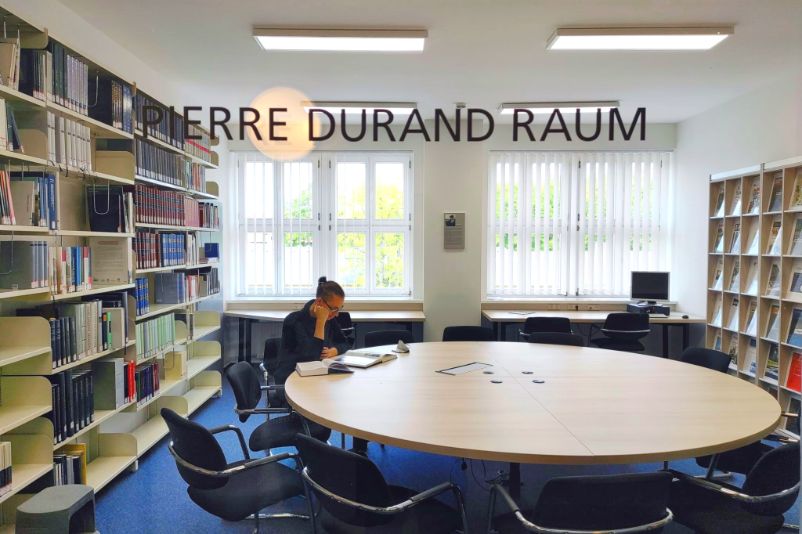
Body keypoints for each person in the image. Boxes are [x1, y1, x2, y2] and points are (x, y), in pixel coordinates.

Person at [275, 276, 352, 384]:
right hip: (291, 379)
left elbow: (346, 344)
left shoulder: (330, 318)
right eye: (334, 309)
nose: (337, 314)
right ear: (319, 302)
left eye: (339, 308)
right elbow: (311, 357)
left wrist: (335, 350)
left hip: (317, 376)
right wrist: (320, 322)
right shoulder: (294, 321)